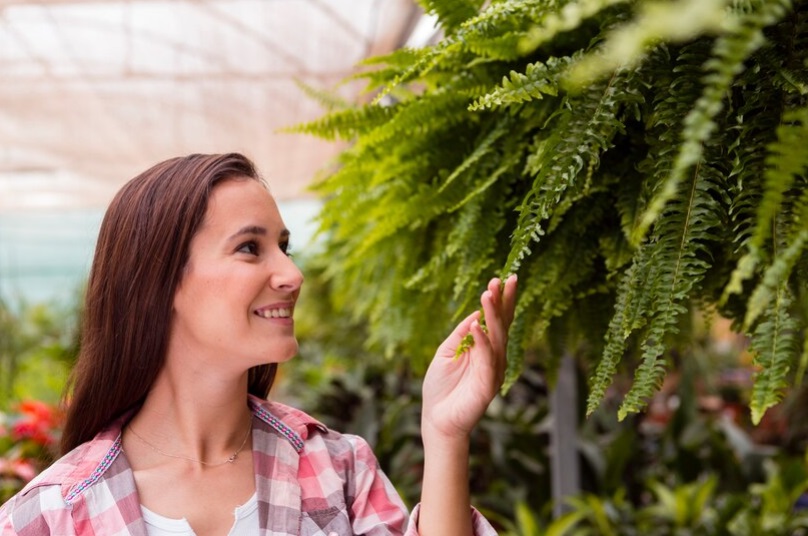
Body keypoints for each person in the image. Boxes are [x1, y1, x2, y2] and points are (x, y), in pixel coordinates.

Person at [0, 153, 518, 536]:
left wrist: (445, 436)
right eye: (251, 248)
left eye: (284, 247)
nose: (291, 274)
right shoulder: (51, 513)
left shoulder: (337, 468)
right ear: (161, 281)